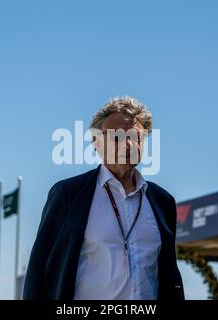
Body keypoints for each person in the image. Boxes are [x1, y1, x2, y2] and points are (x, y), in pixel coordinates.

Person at [23, 96, 184, 300]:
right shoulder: (68, 194)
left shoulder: (162, 201)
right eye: (116, 137)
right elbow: (38, 269)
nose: (127, 145)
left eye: (135, 137)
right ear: (96, 142)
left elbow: (169, 274)